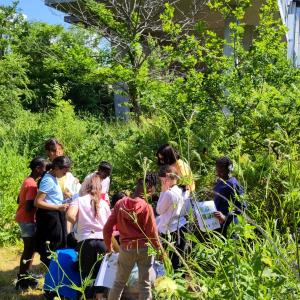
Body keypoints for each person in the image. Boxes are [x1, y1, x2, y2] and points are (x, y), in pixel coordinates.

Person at [103, 173, 160, 300]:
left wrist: (109, 246)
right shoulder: (147, 207)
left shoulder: (119, 204)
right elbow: (153, 234)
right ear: (149, 189)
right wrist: (160, 251)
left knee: (119, 283)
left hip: (126, 248)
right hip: (145, 248)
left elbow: (107, 229)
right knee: (145, 285)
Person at [67, 174, 111, 300]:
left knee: (86, 275)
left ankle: (84, 297)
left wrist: (78, 224)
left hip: (86, 240)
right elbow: (109, 226)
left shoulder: (79, 200)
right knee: (102, 275)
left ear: (86, 186)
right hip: (103, 241)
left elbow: (70, 215)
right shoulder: (104, 203)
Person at [15, 157, 48, 290]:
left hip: (23, 219)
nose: (45, 171)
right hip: (27, 220)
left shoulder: (27, 181)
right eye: (44, 168)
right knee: (28, 250)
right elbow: (29, 206)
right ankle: (22, 279)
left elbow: (18, 200)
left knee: (30, 249)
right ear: (37, 169)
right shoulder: (33, 185)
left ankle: (25, 276)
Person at [34, 156, 71, 267]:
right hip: (50, 217)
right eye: (64, 172)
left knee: (60, 244)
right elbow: (37, 202)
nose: (64, 175)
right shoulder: (48, 180)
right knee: (54, 245)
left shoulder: (54, 178)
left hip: (56, 213)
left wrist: (64, 199)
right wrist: (57, 207)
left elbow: (51, 198)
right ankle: (53, 269)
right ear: (56, 168)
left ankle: (56, 269)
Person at [156, 165, 187, 271]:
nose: (161, 183)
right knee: (178, 259)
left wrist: (162, 191)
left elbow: (159, 210)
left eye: (162, 180)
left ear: (167, 178)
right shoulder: (180, 190)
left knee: (170, 260)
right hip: (181, 226)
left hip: (170, 230)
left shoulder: (169, 194)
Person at [213, 156, 245, 237]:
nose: (218, 173)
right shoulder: (220, 181)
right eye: (217, 170)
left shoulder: (233, 184)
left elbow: (242, 206)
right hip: (218, 223)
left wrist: (225, 217)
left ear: (229, 170)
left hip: (230, 225)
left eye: (221, 171)